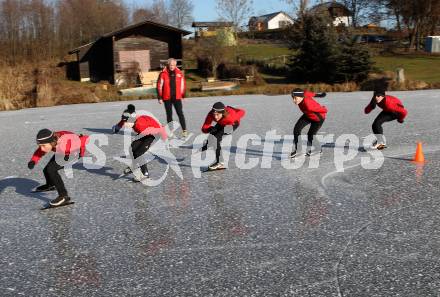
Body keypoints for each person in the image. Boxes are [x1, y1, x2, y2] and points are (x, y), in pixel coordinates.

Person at [28, 129, 89, 206]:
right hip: (61, 152)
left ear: (51, 142)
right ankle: (50, 185)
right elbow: (40, 151)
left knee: (51, 169)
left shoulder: (67, 142)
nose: (42, 148)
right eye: (40, 146)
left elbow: (84, 139)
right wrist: (33, 160)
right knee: (46, 169)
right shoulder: (51, 142)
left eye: (43, 146)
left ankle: (63, 196)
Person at [113, 105, 167, 182]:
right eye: (124, 121)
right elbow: (122, 121)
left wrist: (165, 141)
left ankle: (145, 174)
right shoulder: (129, 118)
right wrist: (117, 128)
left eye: (126, 122)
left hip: (152, 134)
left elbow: (160, 129)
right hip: (143, 132)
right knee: (132, 148)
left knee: (138, 153)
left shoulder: (140, 125)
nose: (125, 124)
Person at [201, 102, 246, 170]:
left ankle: (220, 163)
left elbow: (242, 111)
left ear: (223, 113)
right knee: (212, 137)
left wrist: (233, 109)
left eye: (218, 114)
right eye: (214, 114)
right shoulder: (211, 114)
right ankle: (207, 144)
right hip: (221, 122)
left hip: (232, 124)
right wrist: (209, 129)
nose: (215, 117)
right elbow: (204, 128)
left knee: (216, 139)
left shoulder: (231, 117)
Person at [290, 88, 327, 158]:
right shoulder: (303, 94)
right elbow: (309, 93)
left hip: (318, 119)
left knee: (310, 134)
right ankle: (298, 149)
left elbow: (323, 110)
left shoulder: (309, 105)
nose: (293, 100)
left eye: (295, 98)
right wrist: (319, 95)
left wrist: (324, 109)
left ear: (301, 97)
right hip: (308, 115)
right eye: (293, 98)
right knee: (297, 129)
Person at [156, 58, 187, 138]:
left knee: (180, 113)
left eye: (173, 65)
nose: (172, 66)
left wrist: (183, 95)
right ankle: (171, 131)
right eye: (170, 65)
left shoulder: (179, 73)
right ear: (168, 65)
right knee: (169, 115)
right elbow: (159, 86)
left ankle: (184, 130)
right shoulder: (163, 73)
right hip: (167, 98)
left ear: (175, 65)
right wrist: (159, 97)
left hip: (177, 97)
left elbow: (183, 85)